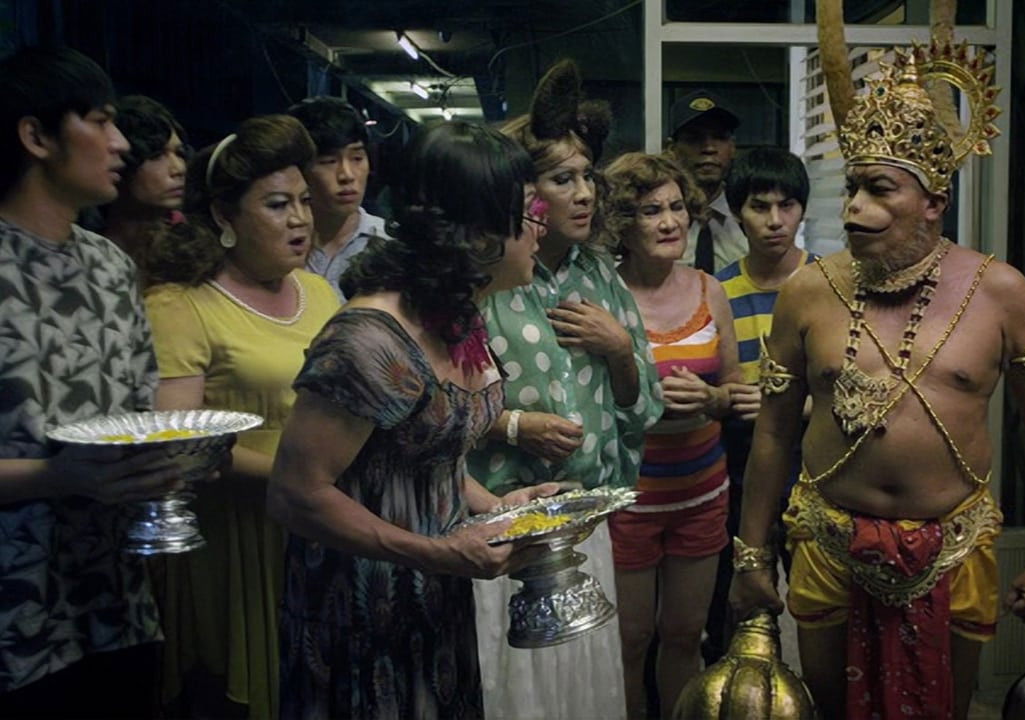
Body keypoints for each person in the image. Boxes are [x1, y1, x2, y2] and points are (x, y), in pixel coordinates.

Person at [729, 7, 1025, 719]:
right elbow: (774, 432)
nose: (853, 209)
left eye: (879, 190)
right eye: (853, 188)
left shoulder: (1001, 292)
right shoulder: (808, 291)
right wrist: (751, 555)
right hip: (828, 542)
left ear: (933, 202)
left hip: (955, 549)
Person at [268, 121, 555, 720]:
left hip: (433, 603)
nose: (540, 228)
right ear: (477, 232)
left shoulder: (456, 312)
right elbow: (296, 494)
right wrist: (435, 552)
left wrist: (499, 508)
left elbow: (424, 455)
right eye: (528, 212)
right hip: (357, 614)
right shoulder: (369, 341)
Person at [468, 59, 662, 720]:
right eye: (562, 179)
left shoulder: (600, 274)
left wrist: (620, 350)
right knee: (518, 692)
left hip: (584, 524)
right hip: (503, 528)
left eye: (586, 176)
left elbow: (644, 408)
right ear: (521, 194)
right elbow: (430, 410)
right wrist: (514, 426)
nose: (584, 194)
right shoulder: (486, 278)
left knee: (583, 688)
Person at [0, 46, 186, 718]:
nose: (120, 144)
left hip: (117, 604)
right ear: (36, 136)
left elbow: (139, 412)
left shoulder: (109, 264)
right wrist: (55, 477)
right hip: (15, 619)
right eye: (101, 122)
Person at [144, 114, 341, 719]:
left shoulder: (319, 292)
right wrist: (297, 477)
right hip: (241, 532)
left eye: (304, 201)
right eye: (278, 205)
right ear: (223, 216)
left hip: (326, 521)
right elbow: (177, 443)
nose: (301, 219)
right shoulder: (180, 304)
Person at [604, 152, 743, 719]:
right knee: (631, 640)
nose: (670, 222)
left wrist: (712, 401)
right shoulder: (603, 295)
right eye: (650, 211)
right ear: (622, 223)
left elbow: (735, 389)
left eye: (677, 207)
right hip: (628, 498)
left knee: (686, 635)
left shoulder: (710, 289)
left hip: (701, 491)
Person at [703, 146, 818, 663]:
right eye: (759, 206)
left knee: (820, 605)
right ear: (737, 212)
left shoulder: (830, 284)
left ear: (802, 209)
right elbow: (709, 384)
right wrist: (725, 398)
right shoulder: (718, 291)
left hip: (816, 463)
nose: (775, 221)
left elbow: (856, 384)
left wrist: (787, 405)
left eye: (787, 205)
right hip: (738, 461)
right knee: (736, 609)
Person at [287, 96, 386, 300]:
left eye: (357, 158)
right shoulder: (278, 248)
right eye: (329, 161)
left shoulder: (388, 245)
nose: (347, 175)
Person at [101, 94, 188, 281]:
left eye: (179, 153)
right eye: (156, 155)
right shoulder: (84, 251)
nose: (179, 169)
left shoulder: (193, 248)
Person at [668, 89, 748, 274]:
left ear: (733, 147)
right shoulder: (658, 223)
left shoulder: (750, 216)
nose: (709, 148)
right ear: (673, 150)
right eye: (694, 138)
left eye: (719, 137)